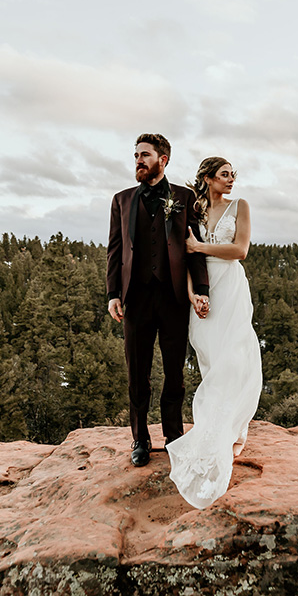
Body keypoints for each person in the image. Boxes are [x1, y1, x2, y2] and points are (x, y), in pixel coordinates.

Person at [106, 134, 209, 467]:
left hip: (173, 297)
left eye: (145, 155)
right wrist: (112, 294)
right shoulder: (121, 200)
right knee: (138, 373)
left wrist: (202, 289)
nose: (138, 160)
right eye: (136, 154)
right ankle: (140, 438)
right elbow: (115, 250)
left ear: (163, 159)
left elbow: (194, 247)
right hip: (135, 300)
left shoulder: (184, 197)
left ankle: (174, 436)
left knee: (174, 374)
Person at [167, 156, 263, 509]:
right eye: (224, 175)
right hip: (204, 288)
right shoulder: (195, 208)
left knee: (233, 356)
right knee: (209, 356)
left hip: (231, 286)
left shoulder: (240, 206)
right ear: (208, 178)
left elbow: (240, 250)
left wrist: (201, 247)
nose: (231, 180)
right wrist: (194, 294)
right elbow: (185, 257)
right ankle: (220, 425)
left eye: (233, 175)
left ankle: (232, 428)